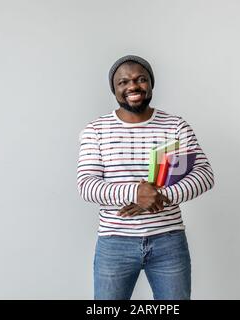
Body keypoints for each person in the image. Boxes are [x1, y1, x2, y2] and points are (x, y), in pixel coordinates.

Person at [77, 55, 214, 300]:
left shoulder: (175, 126)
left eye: (141, 79)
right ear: (114, 89)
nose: (133, 86)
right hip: (115, 243)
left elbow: (204, 175)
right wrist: (135, 193)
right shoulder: (96, 130)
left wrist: (160, 195)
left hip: (168, 241)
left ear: (151, 83)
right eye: (123, 82)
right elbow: (87, 185)